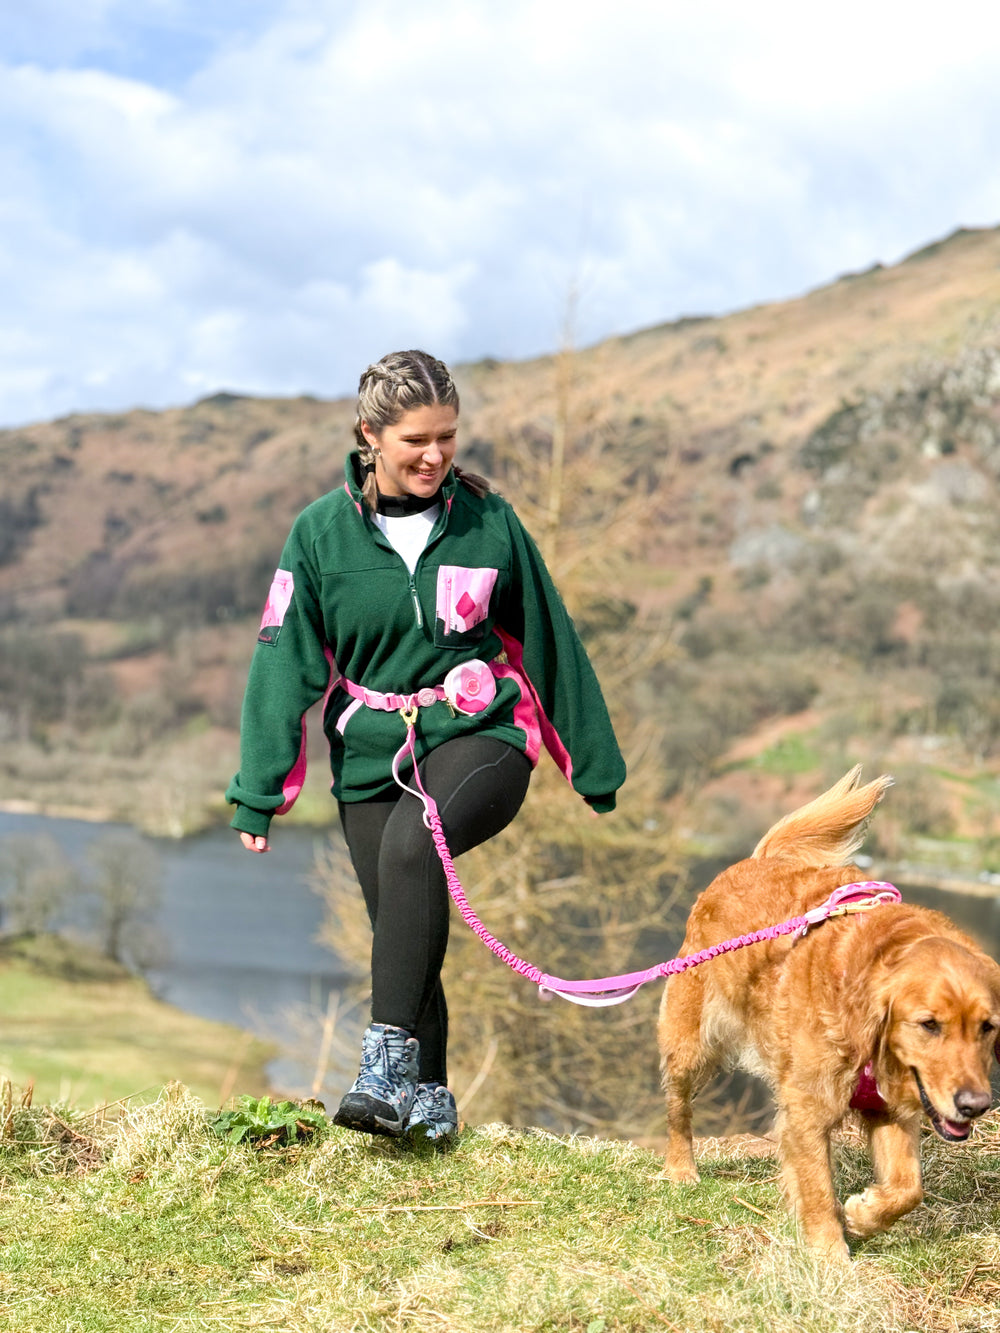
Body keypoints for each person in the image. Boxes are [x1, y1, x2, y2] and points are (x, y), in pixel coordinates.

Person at [226, 349, 625, 1142]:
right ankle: (431, 1099)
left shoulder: (489, 522)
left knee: (416, 845)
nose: (436, 455)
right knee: (400, 929)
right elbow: (281, 661)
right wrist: (258, 788)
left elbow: (550, 639)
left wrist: (593, 763)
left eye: (447, 436)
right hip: (371, 750)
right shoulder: (318, 535)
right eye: (415, 439)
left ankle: (380, 1068)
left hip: (480, 736)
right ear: (369, 434)